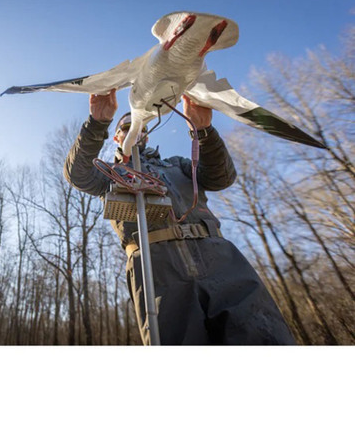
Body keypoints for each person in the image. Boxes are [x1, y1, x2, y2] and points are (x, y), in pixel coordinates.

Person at [64, 89, 296, 345]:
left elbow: (221, 177)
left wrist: (204, 131)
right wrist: (97, 123)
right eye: (127, 126)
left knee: (263, 335)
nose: (134, 129)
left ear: (147, 133)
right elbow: (78, 175)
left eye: (139, 125)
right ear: (117, 137)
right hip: (158, 268)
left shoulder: (177, 164)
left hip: (218, 256)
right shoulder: (110, 174)